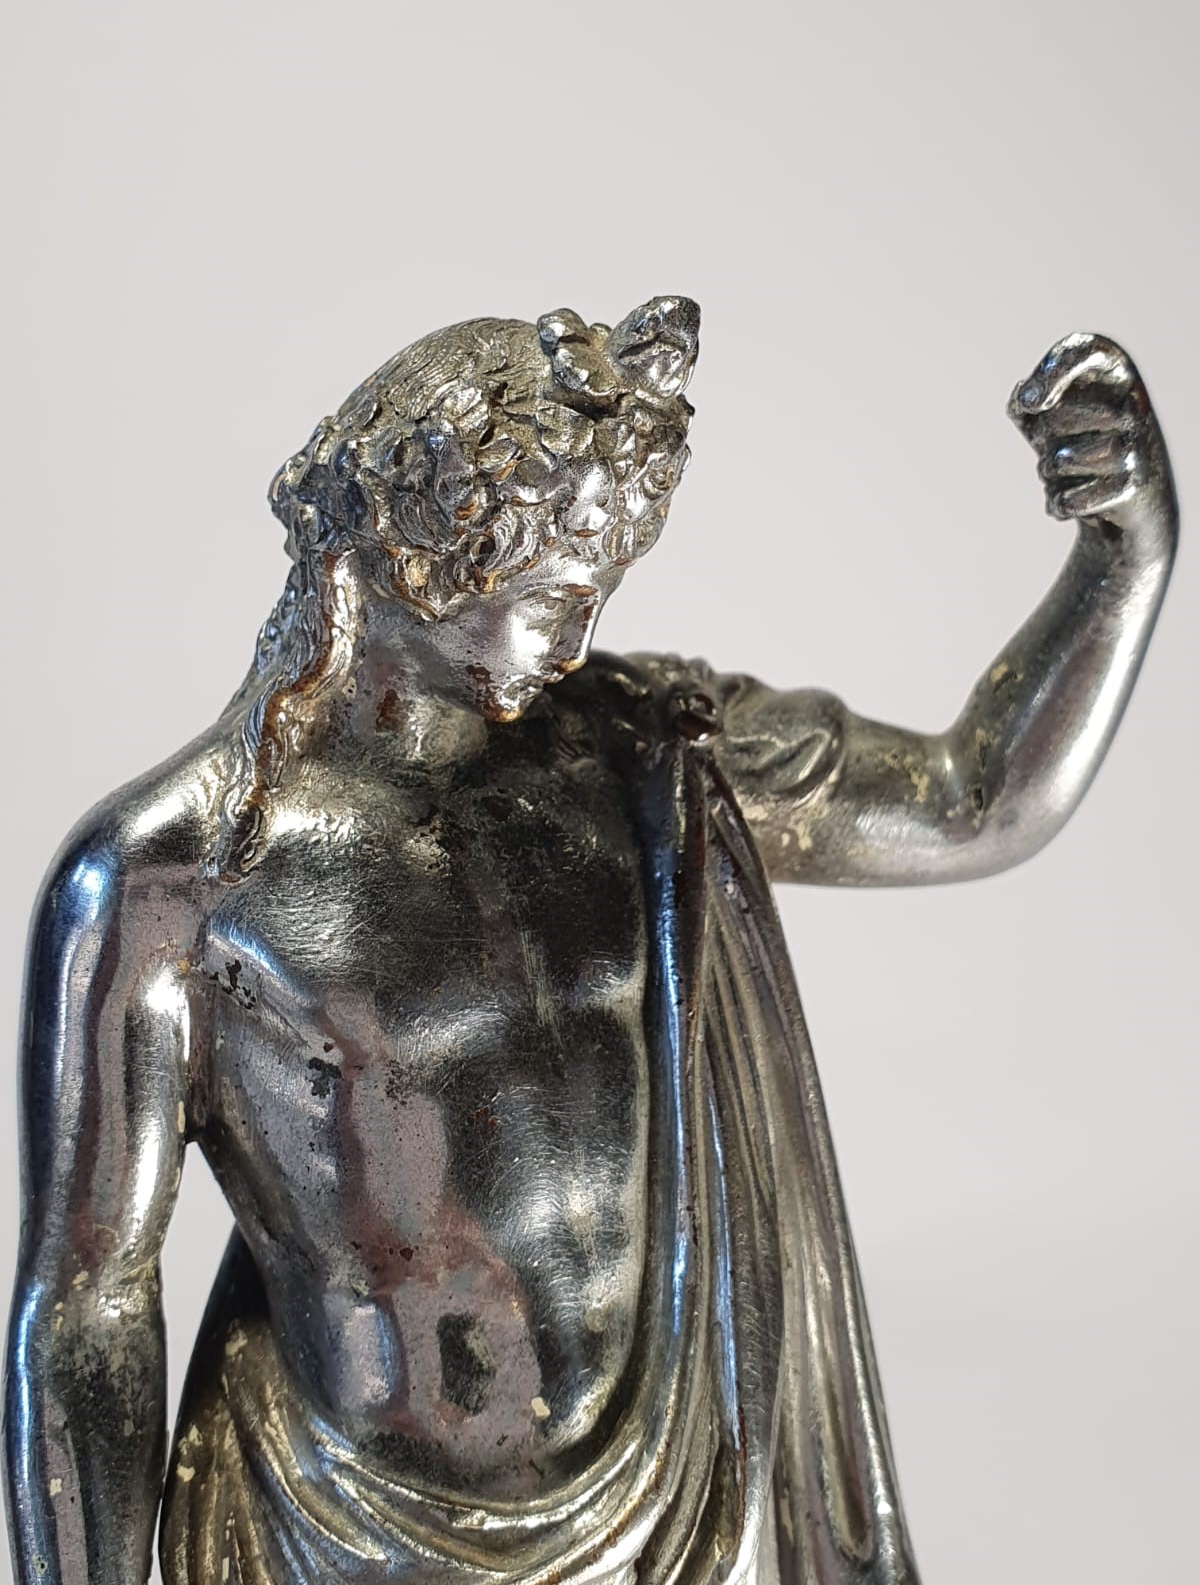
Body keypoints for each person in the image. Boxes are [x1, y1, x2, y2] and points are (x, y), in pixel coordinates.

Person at [4, 299, 1178, 1585]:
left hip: (676, 1509)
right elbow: (90, 1302)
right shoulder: (172, 882)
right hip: (349, 1535)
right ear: (434, 557)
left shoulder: (645, 752)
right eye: (556, 595)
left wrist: (1124, 559)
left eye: (598, 595)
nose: (577, 640)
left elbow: (971, 797)